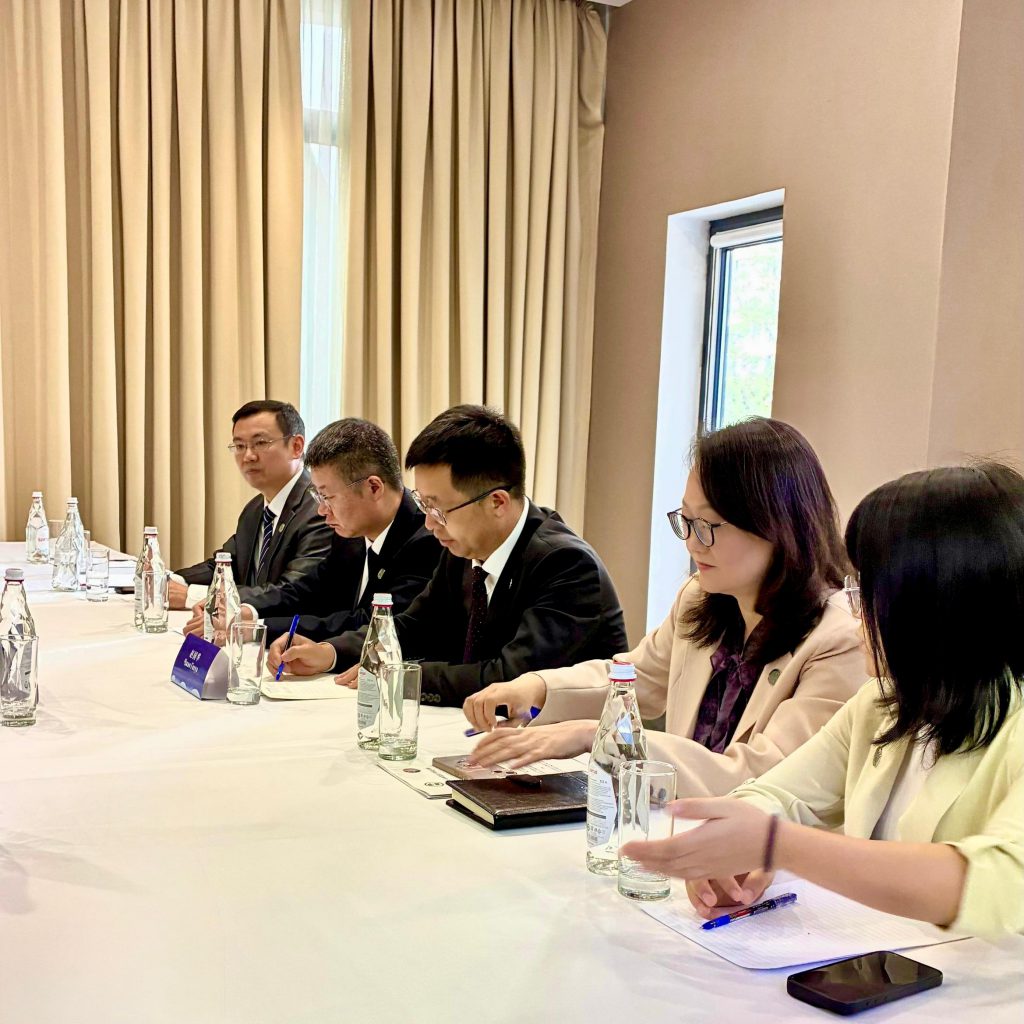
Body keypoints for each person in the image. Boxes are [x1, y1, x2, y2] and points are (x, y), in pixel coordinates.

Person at [622, 463, 1024, 939]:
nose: (856, 612)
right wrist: (733, 847)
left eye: (867, 590)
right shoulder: (881, 703)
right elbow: (779, 792)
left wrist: (777, 845)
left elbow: (1000, 880)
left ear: (932, 605)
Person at [464, 417, 865, 797]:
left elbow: (766, 776)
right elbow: (636, 680)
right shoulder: (701, 599)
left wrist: (594, 735)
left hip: (755, 841)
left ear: (777, 526)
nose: (691, 543)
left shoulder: (840, 638)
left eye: (707, 526)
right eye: (686, 521)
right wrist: (537, 689)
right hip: (676, 819)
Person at [267, 405, 627, 706]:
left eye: (438, 508)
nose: (428, 522)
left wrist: (398, 676)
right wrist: (330, 652)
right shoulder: (462, 548)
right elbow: (413, 626)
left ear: (497, 502)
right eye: (423, 504)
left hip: (566, 752)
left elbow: (509, 677)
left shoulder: (565, 565)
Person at [187, 418, 441, 640]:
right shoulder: (350, 534)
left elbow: (371, 623)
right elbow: (307, 590)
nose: (321, 510)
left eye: (327, 497)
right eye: (318, 498)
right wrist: (247, 611)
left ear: (373, 488)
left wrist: (257, 628)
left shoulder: (427, 541)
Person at [170, 400, 333, 611]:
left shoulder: (320, 508)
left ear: (296, 446)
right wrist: (171, 580)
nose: (248, 456)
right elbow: (224, 564)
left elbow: (293, 591)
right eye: (239, 446)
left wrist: (194, 596)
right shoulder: (255, 509)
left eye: (261, 443)